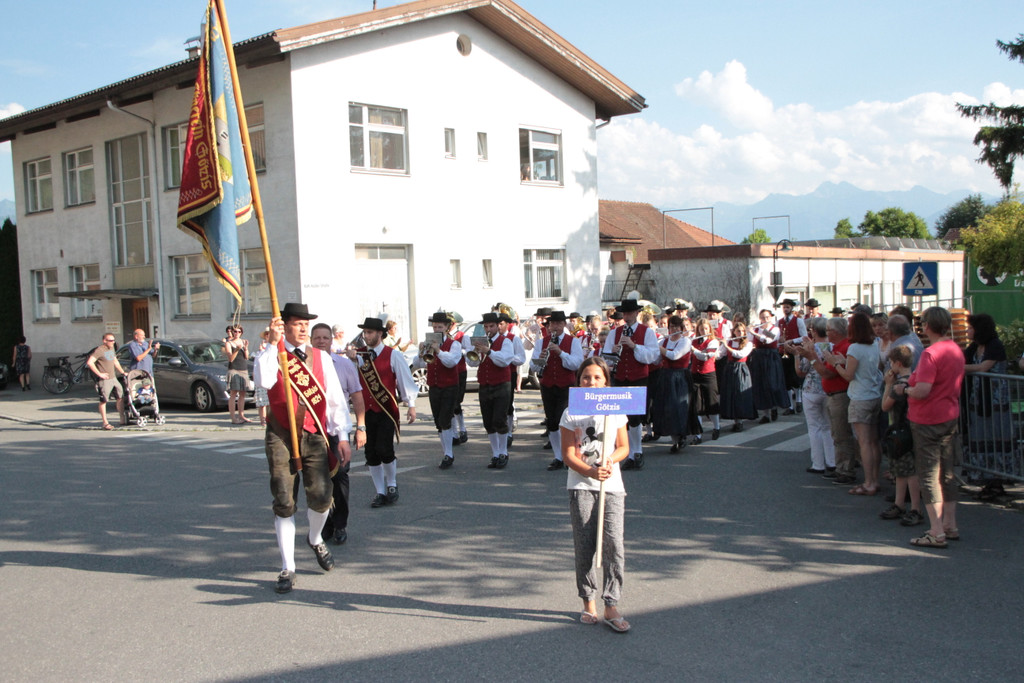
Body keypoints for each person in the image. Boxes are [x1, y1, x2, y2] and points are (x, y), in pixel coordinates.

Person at [255, 303, 352, 593]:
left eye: (304, 324)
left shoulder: (321, 358)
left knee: (322, 499)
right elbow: (263, 379)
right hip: (282, 435)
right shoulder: (272, 354)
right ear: (283, 326)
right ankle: (288, 566)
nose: (301, 328)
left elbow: (335, 400)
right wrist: (273, 344)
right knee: (284, 502)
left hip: (313, 434)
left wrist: (343, 435)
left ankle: (315, 538)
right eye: (296, 323)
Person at [559, 356, 631, 633]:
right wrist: (588, 472)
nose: (591, 382)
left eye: (597, 377)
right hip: (581, 486)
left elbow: (623, 446)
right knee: (585, 544)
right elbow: (567, 454)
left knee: (614, 544)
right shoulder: (571, 412)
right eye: (586, 377)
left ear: (606, 382)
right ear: (579, 382)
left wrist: (610, 461)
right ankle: (588, 600)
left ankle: (611, 603)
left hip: (612, 485)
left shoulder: (616, 410)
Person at [893, 306, 965, 548]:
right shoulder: (955, 349)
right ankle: (950, 524)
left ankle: (936, 530)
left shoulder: (931, 354)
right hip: (949, 415)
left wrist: (906, 390)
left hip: (927, 419)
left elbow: (923, 390)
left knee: (928, 475)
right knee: (947, 473)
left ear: (927, 326)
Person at [347, 317, 418, 506]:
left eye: (370, 332)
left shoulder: (393, 355)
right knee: (370, 453)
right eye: (365, 332)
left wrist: (410, 404)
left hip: (386, 409)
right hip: (365, 411)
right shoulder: (358, 355)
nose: (366, 336)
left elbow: (404, 379)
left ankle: (392, 484)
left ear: (380, 334)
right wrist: (351, 358)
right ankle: (379, 491)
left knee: (384, 449)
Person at [310, 322, 366, 545]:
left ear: (331, 340)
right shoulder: (304, 365)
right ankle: (325, 523)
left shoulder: (343, 365)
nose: (321, 341)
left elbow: (357, 396)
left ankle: (340, 523)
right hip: (313, 431)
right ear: (311, 341)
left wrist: (361, 427)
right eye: (317, 338)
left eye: (325, 337)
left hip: (336, 431)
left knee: (340, 477)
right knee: (318, 482)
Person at [826, 312, 883, 495]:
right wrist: (844, 362)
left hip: (860, 396)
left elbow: (849, 376)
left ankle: (869, 482)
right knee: (873, 442)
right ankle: (874, 478)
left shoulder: (855, 348)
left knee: (864, 442)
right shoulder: (875, 344)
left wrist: (835, 364)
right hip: (874, 394)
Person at [799, 317, 858, 485]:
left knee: (840, 434)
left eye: (829, 330)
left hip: (838, 393)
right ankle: (837, 465)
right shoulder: (840, 346)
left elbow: (827, 373)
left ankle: (844, 469)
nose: (827, 333)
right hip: (830, 393)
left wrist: (811, 356)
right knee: (833, 431)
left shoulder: (844, 347)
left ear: (836, 332)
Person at [602, 299, 660, 470]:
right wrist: (612, 351)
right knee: (622, 418)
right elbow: (606, 357)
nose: (627, 316)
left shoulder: (646, 332)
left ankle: (637, 452)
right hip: (620, 377)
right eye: (625, 314)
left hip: (638, 378)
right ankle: (627, 452)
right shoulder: (615, 332)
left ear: (637, 314)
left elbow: (653, 356)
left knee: (635, 418)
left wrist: (634, 347)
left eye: (630, 313)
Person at [962, 313, 1012, 499]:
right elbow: (963, 359)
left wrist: (961, 368)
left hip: (996, 400)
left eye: (970, 328)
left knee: (996, 437)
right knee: (981, 437)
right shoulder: (975, 346)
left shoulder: (995, 345)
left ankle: (997, 481)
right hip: (978, 400)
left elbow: (984, 367)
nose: (967, 330)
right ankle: (985, 478)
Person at [532, 310, 584, 471]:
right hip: (548, 385)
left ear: (564, 325)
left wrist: (561, 353)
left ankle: (572, 456)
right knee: (552, 422)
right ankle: (558, 457)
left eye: (558, 324)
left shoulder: (573, 342)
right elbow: (533, 366)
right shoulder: (541, 342)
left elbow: (577, 364)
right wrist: (541, 359)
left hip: (566, 386)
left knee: (567, 422)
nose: (555, 327)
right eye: (552, 324)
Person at [879, 345, 924, 526]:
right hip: (909, 427)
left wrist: (888, 384)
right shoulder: (913, 378)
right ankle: (899, 503)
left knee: (908, 471)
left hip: (902, 429)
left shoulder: (899, 384)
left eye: (891, 362)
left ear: (897, 363)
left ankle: (915, 508)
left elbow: (885, 406)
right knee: (900, 470)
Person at [414, 311, 463, 469]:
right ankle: (446, 452)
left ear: (447, 327)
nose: (436, 330)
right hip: (434, 386)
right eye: (434, 327)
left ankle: (449, 454)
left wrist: (439, 351)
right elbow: (420, 364)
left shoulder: (454, 344)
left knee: (445, 420)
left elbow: (451, 362)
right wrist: (421, 352)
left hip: (449, 386)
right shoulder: (429, 343)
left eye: (439, 327)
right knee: (438, 422)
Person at [467, 312, 515, 468]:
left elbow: (504, 360)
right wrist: (474, 352)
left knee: (499, 420)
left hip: (502, 385)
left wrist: (488, 351)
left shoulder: (505, 341)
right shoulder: (480, 342)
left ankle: (503, 453)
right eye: (486, 326)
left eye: (491, 326)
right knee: (488, 422)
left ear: (498, 326)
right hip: (485, 385)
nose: (488, 329)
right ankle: (495, 454)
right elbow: (473, 364)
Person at [793, 318, 835, 474]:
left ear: (814, 331)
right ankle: (831, 461)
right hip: (828, 389)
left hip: (811, 389)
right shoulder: (833, 347)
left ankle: (818, 463)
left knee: (814, 428)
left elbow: (801, 371)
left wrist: (796, 356)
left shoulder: (810, 348)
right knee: (827, 426)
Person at [653, 315, 692, 452]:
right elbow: (657, 360)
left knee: (678, 408)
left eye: (676, 327)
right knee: (666, 409)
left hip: (679, 377)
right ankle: (675, 441)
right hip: (666, 376)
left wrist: (657, 347)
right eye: (671, 327)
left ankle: (682, 436)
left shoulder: (685, 341)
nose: (674, 329)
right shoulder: (664, 341)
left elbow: (674, 355)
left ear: (681, 328)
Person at [748, 309, 790, 424]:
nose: (764, 320)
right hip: (759, 357)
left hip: (771, 357)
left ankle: (774, 407)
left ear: (771, 317)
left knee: (772, 383)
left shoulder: (775, 329)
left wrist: (754, 332)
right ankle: (765, 414)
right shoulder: (757, 328)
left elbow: (767, 339)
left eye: (767, 317)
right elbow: (749, 341)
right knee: (761, 385)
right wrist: (748, 332)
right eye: (762, 317)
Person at [718, 321, 756, 431]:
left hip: (741, 369)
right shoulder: (729, 341)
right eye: (738, 331)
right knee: (731, 394)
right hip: (729, 368)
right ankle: (735, 419)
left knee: (740, 393)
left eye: (742, 331)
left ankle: (740, 421)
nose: (740, 333)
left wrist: (726, 345)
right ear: (734, 331)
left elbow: (740, 354)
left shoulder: (748, 343)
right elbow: (720, 354)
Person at [688, 318, 721, 443]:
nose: (704, 331)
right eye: (701, 329)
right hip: (695, 375)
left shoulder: (713, 342)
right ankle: (698, 434)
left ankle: (716, 427)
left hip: (708, 375)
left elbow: (706, 356)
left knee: (711, 402)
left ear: (710, 329)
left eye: (706, 329)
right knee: (697, 405)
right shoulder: (694, 341)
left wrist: (693, 349)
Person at [85, 333, 126, 430]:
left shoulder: (111, 349)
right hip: (104, 380)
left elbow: (115, 361)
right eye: (110, 340)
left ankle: (122, 418)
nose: (113, 342)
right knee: (104, 400)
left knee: (120, 396)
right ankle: (105, 422)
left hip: (113, 378)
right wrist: (99, 374)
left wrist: (123, 372)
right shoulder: (100, 350)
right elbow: (90, 363)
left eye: (113, 340)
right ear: (104, 341)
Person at [776, 299, 807, 415]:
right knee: (786, 380)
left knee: (796, 377)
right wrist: (779, 339)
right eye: (784, 307)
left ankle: (798, 400)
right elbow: (775, 337)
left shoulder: (798, 321)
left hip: (795, 352)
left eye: (788, 307)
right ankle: (790, 406)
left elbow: (804, 337)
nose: (785, 309)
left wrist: (792, 340)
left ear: (791, 308)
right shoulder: (779, 322)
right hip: (783, 352)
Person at [223, 325, 251, 424]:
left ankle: (241, 415)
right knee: (233, 394)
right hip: (234, 369)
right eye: (235, 331)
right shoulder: (229, 343)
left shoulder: (242, 342)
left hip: (243, 369)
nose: (237, 333)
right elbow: (230, 358)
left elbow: (246, 357)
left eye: (239, 331)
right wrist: (237, 349)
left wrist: (246, 348)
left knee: (243, 393)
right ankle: (233, 418)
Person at [255, 328, 271, 426]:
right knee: (262, 402)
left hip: (270, 376)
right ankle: (263, 420)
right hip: (262, 376)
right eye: (267, 334)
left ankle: (269, 419)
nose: (269, 336)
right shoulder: (263, 346)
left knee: (270, 402)